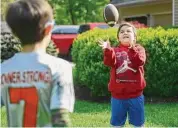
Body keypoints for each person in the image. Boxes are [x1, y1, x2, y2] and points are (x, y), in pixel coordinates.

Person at [1, 0, 75, 127]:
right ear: (48, 29)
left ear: (14, 33)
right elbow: (60, 119)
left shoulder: (3, 70)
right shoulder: (59, 68)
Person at [98, 22, 146, 127]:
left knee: (138, 124)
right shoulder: (114, 50)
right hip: (118, 97)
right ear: (118, 38)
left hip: (136, 96)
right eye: (122, 31)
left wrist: (133, 49)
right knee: (116, 124)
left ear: (135, 37)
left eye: (128, 31)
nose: (125, 33)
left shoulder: (139, 49)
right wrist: (108, 50)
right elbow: (109, 62)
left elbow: (139, 61)